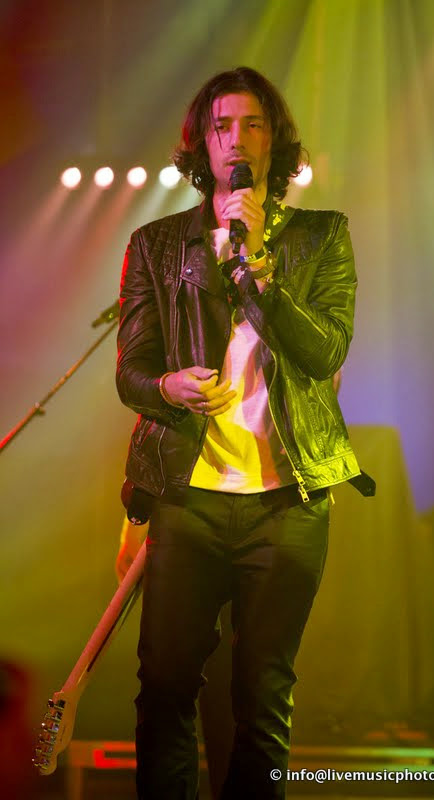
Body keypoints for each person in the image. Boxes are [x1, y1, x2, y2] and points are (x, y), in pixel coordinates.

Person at [116, 66, 360, 800]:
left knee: (263, 698)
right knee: (165, 686)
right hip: (187, 497)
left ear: (273, 140)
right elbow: (131, 372)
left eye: (251, 123)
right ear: (202, 143)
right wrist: (168, 387)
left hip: (287, 501)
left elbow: (325, 352)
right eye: (220, 126)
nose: (235, 139)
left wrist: (260, 272)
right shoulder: (157, 244)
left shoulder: (321, 236)